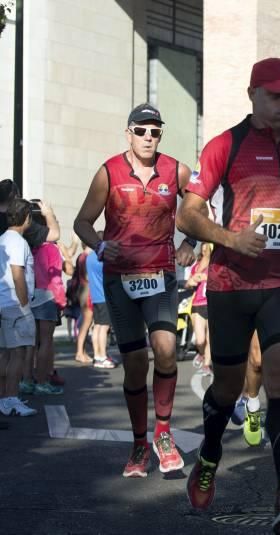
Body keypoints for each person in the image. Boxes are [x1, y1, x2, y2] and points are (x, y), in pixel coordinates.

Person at [177, 58, 280, 533]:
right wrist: (231, 238)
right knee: (227, 385)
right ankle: (210, 454)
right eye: (277, 95)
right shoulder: (227, 144)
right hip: (231, 284)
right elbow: (188, 215)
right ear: (253, 95)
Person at [74, 103, 196, 477]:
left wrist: (190, 238)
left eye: (154, 131)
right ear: (128, 133)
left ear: (161, 134)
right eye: (141, 130)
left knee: (166, 352)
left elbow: (201, 210)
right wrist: (97, 244)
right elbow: (82, 221)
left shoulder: (177, 170)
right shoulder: (109, 171)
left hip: (160, 275)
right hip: (119, 277)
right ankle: (139, 444)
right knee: (134, 364)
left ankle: (163, 434)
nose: (148, 137)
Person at [0, 199, 38, 417]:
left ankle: (5, 397)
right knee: (18, 354)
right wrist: (25, 306)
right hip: (16, 305)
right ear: (26, 218)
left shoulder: (3, 239)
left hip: (5, 304)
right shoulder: (17, 242)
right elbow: (17, 274)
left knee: (5, 354)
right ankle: (11, 399)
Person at [29, 212, 67, 394]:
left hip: (32, 296)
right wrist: (61, 301)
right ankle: (42, 382)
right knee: (46, 342)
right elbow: (55, 279)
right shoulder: (51, 248)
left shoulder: (32, 247)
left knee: (32, 343)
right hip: (47, 297)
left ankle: (28, 380)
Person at [86, 231, 115, 369]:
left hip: (95, 296)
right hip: (105, 296)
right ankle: (102, 356)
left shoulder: (89, 257)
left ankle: (97, 356)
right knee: (104, 327)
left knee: (97, 326)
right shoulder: (102, 258)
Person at [185, 243, 211, 377]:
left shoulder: (217, 265)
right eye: (204, 247)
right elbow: (188, 283)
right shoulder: (196, 265)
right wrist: (191, 281)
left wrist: (207, 278)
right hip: (197, 303)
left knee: (210, 338)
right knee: (200, 340)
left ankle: (207, 365)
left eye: (209, 247)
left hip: (212, 304)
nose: (206, 249)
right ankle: (201, 354)